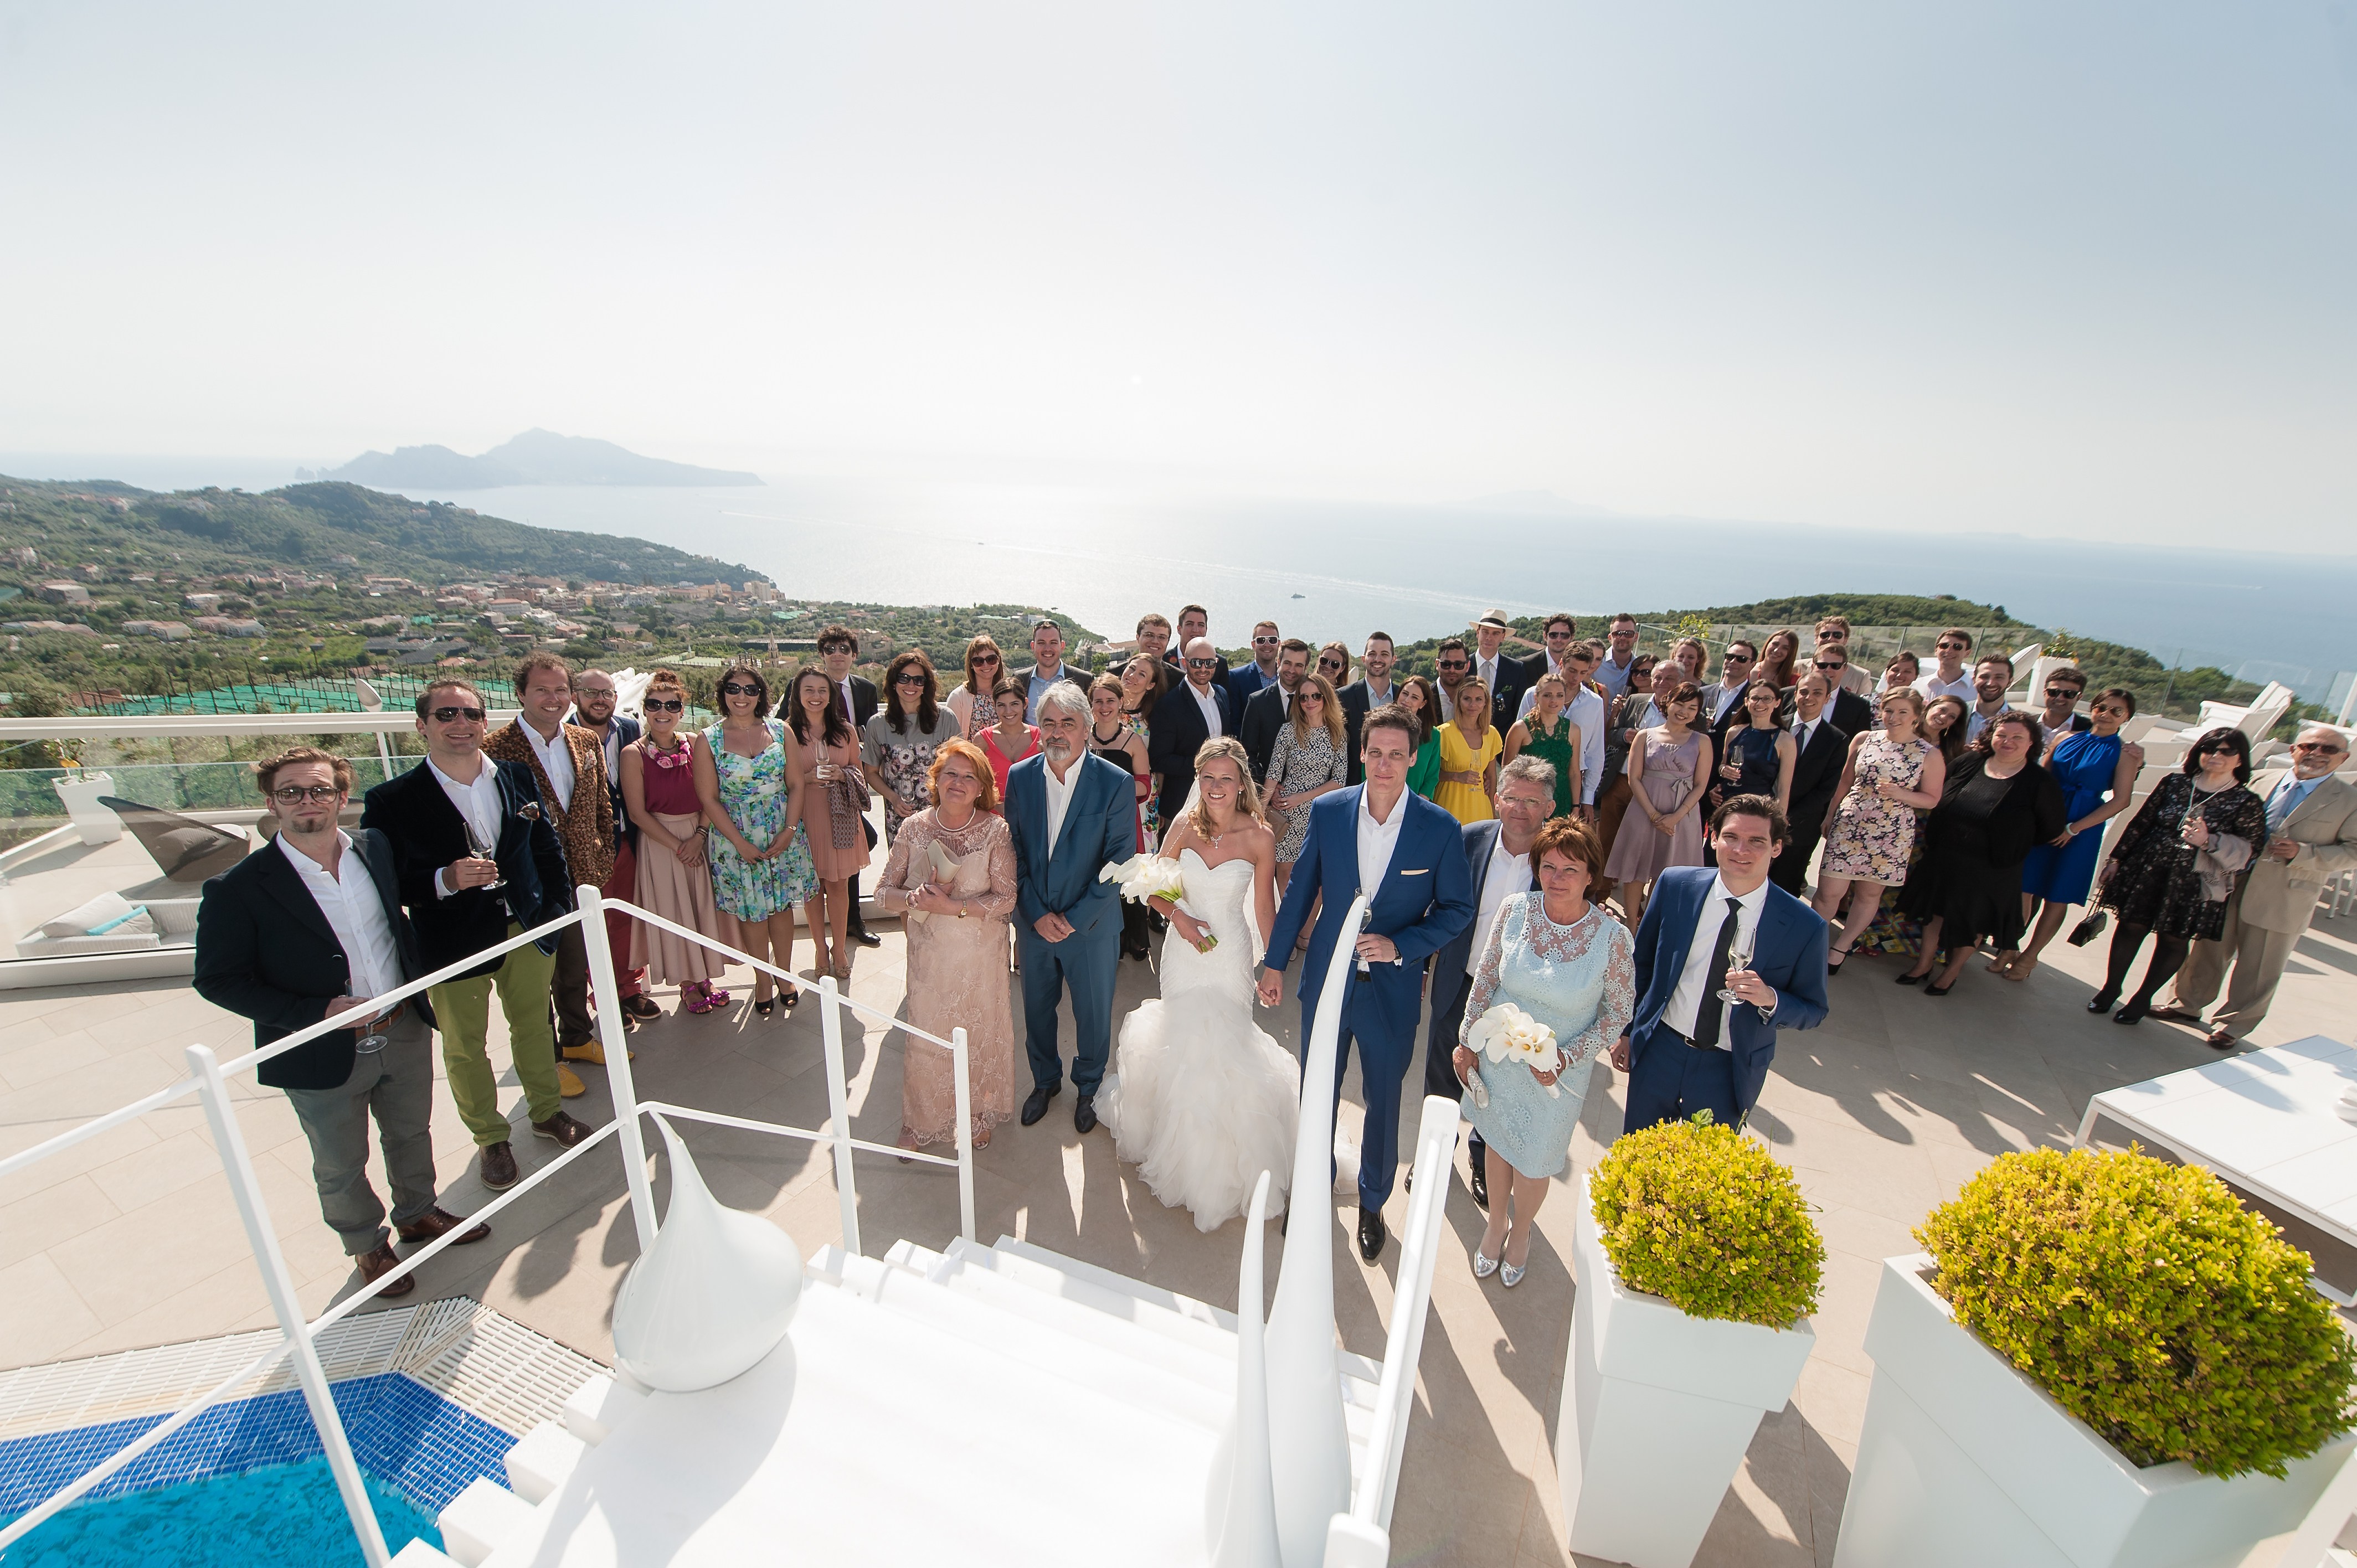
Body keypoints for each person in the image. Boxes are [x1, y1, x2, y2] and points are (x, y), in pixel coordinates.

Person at [197, 747, 483, 1298]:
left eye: (320, 790)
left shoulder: (373, 849)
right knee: (340, 1159)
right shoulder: (238, 888)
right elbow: (218, 980)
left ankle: (418, 1213)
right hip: (321, 1047)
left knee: (409, 1131)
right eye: (292, 792)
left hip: (400, 1025)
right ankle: (366, 1245)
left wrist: (450, 880)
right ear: (271, 803)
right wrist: (314, 1014)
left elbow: (403, 908)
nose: (308, 802)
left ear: (341, 797)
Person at [1259, 703, 1474, 1261]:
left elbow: (1456, 910)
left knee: (1382, 1099)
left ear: (1412, 759)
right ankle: (1311, 1187)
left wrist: (1402, 946)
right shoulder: (1330, 811)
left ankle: (1373, 1203)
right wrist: (1275, 961)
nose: (1384, 765)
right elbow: (1302, 889)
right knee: (1318, 1090)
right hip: (1327, 983)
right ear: (1360, 753)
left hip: (1392, 990)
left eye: (1396, 755)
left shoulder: (1438, 827)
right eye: (1374, 753)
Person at [361, 679, 588, 1191]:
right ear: (422, 726)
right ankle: (491, 1138)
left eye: (470, 713)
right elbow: (386, 882)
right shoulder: (392, 799)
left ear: (485, 723)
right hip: (452, 938)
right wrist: (444, 880)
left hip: (525, 928)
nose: (460, 724)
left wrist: (556, 910)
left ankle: (547, 1113)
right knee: (465, 1046)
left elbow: (547, 849)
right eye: (446, 715)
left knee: (534, 1027)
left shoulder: (516, 776)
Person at [1099, 738, 1301, 1230]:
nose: (1215, 787)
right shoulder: (1184, 828)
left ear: (1241, 785)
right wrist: (1181, 919)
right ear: (1198, 780)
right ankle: (1181, 1150)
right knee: (1183, 1041)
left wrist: (1272, 965)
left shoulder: (1259, 837)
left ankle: (1230, 1161)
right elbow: (1154, 888)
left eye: (1225, 778)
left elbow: (1262, 909)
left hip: (1229, 954)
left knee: (1227, 1046)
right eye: (1207, 777)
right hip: (1183, 954)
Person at [1457, 816, 1635, 1286]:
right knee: (1497, 1144)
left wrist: (1566, 1058)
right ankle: (1497, 1223)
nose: (1556, 879)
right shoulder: (1515, 909)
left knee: (1535, 1159)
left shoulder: (1612, 939)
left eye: (1570, 870)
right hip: (1500, 1059)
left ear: (1592, 877)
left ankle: (1523, 1232)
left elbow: (1617, 1014)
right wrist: (1466, 1040)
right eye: (1548, 867)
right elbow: (1488, 978)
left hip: (1557, 1077)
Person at [1610, 796, 1830, 1131]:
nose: (1741, 849)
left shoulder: (1805, 926)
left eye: (1757, 841)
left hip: (1728, 1067)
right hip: (1660, 1051)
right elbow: (1641, 965)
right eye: (1731, 837)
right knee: (1637, 1157)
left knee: (1701, 1174)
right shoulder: (1676, 886)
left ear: (1777, 848)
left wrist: (1771, 999)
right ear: (1713, 838)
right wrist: (1626, 1031)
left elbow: (1814, 1009)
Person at [2158, 725, 2357, 1047]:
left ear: (2344, 758)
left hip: (2286, 890)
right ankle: (2186, 1004)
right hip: (2230, 878)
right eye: (2309, 746)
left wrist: (2303, 854)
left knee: (2261, 962)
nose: (2317, 754)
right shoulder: (2261, 779)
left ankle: (2233, 1026)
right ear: (2294, 749)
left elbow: (2354, 852)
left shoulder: (2350, 800)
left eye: (2328, 750)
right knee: (2209, 947)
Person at [872, 738, 1019, 1151]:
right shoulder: (914, 827)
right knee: (926, 1035)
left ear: (981, 787)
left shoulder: (995, 829)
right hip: (930, 956)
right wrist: (915, 899)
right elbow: (884, 892)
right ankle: (920, 1120)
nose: (959, 782)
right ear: (936, 779)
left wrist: (954, 906)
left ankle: (977, 1111)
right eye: (951, 773)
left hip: (980, 955)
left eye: (969, 777)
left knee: (979, 1030)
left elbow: (1007, 898)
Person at [1423, 757, 1555, 1213]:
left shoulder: (1558, 858)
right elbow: (1437, 908)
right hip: (1460, 979)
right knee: (1442, 1073)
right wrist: (1424, 969)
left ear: (1549, 808)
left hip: (1516, 999)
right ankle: (1432, 1157)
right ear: (1497, 797)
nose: (1520, 808)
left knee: (1496, 1085)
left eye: (1532, 801)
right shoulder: (1468, 839)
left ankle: (1483, 1161)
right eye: (1512, 796)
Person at [1007, 682, 1136, 1133]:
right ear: (1037, 728)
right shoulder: (1020, 777)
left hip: (1092, 926)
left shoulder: (1116, 782)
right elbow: (1014, 852)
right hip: (1034, 923)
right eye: (1049, 723)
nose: (1057, 732)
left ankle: (1088, 1087)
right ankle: (1045, 1082)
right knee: (1036, 1010)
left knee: (1093, 1013)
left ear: (1086, 728)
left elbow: (1120, 859)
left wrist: (1074, 919)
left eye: (1068, 723)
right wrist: (1037, 914)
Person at [485, 653, 618, 1069]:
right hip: (529, 882)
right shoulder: (494, 749)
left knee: (576, 966)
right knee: (535, 976)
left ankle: (577, 1038)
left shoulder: (584, 741)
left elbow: (601, 805)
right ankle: (548, 1061)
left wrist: (602, 856)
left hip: (582, 877)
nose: (553, 698)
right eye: (542, 689)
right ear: (521, 693)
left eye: (560, 689)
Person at [2090, 727, 2268, 1024]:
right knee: (2131, 926)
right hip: (2147, 867)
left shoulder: (2245, 801)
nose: (2215, 756)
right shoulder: (2174, 783)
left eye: (2226, 751)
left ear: (2240, 760)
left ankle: (2142, 998)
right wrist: (2117, 858)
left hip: (2194, 880)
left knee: (2174, 939)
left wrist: (2209, 841)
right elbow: (2141, 822)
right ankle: (2110, 988)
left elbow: (2253, 849)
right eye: (2210, 749)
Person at [1896, 712, 2067, 995]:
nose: (2007, 742)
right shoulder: (1970, 761)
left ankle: (1950, 973)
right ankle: (1924, 964)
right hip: (1945, 855)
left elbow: (2050, 829)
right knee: (1934, 914)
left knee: (1972, 922)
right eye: (2002, 734)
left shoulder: (2040, 782)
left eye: (2017, 737)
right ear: (1991, 736)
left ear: (2032, 743)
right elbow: (1937, 792)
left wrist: (2010, 839)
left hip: (1993, 866)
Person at [1995, 688, 2142, 982]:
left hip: (2083, 826)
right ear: (2093, 708)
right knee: (2024, 886)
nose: (2108, 714)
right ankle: (2010, 946)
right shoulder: (2065, 738)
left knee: (2056, 895)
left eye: (2117, 711)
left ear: (2127, 717)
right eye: (2103, 707)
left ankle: (2030, 957)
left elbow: (2121, 800)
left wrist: (2074, 829)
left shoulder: (2124, 753)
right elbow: (2040, 778)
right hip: (2046, 817)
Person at [695, 664, 815, 1013]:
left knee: (780, 908)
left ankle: (784, 974)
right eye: (734, 689)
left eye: (750, 690)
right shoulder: (709, 739)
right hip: (735, 837)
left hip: (782, 831)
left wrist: (790, 830)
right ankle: (762, 977)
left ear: (761, 695)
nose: (742, 696)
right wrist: (740, 843)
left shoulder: (781, 731)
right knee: (752, 912)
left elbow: (795, 784)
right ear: (724, 694)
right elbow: (709, 799)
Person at [621, 670, 730, 1015]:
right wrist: (678, 846)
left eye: (672, 704)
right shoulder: (632, 754)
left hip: (700, 834)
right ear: (645, 710)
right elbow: (637, 813)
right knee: (675, 913)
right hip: (660, 843)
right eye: (655, 704)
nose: (663, 711)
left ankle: (705, 977)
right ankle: (687, 983)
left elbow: (710, 796)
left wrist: (699, 837)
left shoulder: (697, 743)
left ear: (682, 710)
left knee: (701, 909)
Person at [1814, 689, 1946, 973]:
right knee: (1828, 893)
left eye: (1902, 712)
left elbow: (1932, 798)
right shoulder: (1864, 739)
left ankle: (1841, 947)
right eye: (1889, 710)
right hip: (1850, 823)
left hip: (1891, 832)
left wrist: (1902, 794)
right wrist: (1830, 814)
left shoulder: (1929, 754)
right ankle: (1809, 944)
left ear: (1916, 716)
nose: (1893, 718)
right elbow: (1845, 780)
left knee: (1868, 895)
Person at [568, 669, 656, 1024]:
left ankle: (629, 990)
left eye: (606, 692)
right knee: (593, 922)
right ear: (576, 696)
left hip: (628, 839)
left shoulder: (631, 730)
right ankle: (603, 994)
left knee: (625, 919)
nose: (599, 699)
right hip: (587, 846)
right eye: (590, 692)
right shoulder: (561, 737)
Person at [1603, 679, 1713, 928]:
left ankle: (1651, 925)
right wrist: (1653, 815)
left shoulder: (1702, 742)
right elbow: (1634, 778)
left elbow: (1700, 785)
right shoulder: (1644, 736)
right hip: (1643, 810)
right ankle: (1631, 924)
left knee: (1667, 872)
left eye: (1692, 708)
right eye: (1680, 704)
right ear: (1669, 702)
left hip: (1681, 814)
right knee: (1636, 869)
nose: (1684, 711)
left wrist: (1676, 816)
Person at [792, 664, 871, 983]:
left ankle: (839, 949)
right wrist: (806, 778)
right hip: (806, 815)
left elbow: (859, 772)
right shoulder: (785, 732)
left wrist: (843, 774)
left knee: (839, 885)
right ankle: (819, 948)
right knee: (813, 888)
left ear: (832, 695)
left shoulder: (846, 731)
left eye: (822, 690)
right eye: (809, 690)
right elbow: (780, 778)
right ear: (798, 694)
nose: (816, 696)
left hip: (840, 816)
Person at [816, 625, 883, 950]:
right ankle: (829, 927)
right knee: (833, 856)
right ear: (822, 655)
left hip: (849, 782)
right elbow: (787, 726)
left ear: (854, 655)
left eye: (844, 648)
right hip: (816, 785)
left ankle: (852, 921)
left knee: (859, 844)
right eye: (830, 649)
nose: (837, 654)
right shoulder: (806, 686)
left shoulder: (866, 689)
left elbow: (872, 734)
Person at [863, 650, 960, 849]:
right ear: (893, 682)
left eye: (918, 680)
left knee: (942, 875)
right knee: (905, 876)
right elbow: (871, 773)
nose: (911, 685)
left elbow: (960, 767)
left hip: (942, 815)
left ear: (926, 686)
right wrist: (893, 798)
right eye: (904, 678)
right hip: (900, 816)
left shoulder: (946, 719)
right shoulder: (877, 724)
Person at [1088, 674, 1155, 961]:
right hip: (1089, 823)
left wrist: (1111, 791)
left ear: (1121, 703)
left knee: (1126, 881)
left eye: (1110, 701)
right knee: (1095, 880)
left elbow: (1145, 785)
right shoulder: (1081, 737)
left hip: (1123, 822)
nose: (1105, 707)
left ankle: (1133, 937)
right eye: (1098, 701)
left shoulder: (1133, 741)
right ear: (1090, 705)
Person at [1264, 671, 1349, 890]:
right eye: (1303, 697)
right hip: (1286, 812)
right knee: (1285, 870)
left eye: (1316, 696)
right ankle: (1288, 921)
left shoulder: (1338, 734)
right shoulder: (1288, 731)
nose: (1309, 702)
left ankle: (1309, 924)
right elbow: (1273, 774)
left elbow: (1339, 781)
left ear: (1326, 697)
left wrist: (1301, 798)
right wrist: (1259, 811)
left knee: (1318, 873)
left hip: (1321, 812)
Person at [1769, 673, 1851, 896]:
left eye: (1817, 693)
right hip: (1760, 817)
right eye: (1804, 691)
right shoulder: (1773, 725)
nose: (1809, 697)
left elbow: (1827, 789)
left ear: (1827, 698)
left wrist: (1787, 816)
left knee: (1784, 890)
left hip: (1801, 828)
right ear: (1795, 695)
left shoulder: (1837, 740)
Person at [1148, 637, 1235, 830]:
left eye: (1209, 663)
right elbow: (1159, 759)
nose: (1203, 668)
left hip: (1220, 802)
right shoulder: (1168, 705)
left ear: (1216, 663)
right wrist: (1204, 767)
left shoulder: (1221, 694)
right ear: (1185, 663)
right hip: (1182, 805)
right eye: (1196, 662)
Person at [1598, 657, 1672, 875]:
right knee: (1606, 839)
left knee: (1640, 846)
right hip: (1620, 780)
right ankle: (1599, 892)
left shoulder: (1684, 711)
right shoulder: (1636, 701)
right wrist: (1624, 735)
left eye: (1669, 678)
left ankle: (1633, 897)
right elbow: (1612, 734)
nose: (1661, 682)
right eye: (1657, 677)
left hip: (1654, 787)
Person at [1712, 680, 1797, 816]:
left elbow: (1783, 789)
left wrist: (1778, 822)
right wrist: (1723, 770)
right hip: (1728, 802)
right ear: (1747, 702)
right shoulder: (1734, 732)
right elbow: (1723, 765)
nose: (1760, 703)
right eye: (1755, 698)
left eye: (1767, 699)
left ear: (1777, 703)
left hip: (1759, 808)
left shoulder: (1785, 740)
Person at [1505, 671, 1581, 819]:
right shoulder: (1520, 728)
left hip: (1562, 802)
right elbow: (1508, 772)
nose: (1554, 700)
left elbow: (1574, 772)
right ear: (1536, 697)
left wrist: (1576, 807)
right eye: (1547, 695)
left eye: (1559, 695)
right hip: (1529, 802)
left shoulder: (1573, 730)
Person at [1239, 638, 1310, 784]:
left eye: (1298, 665)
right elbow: (1247, 754)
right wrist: (1269, 785)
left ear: (1306, 668)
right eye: (1287, 663)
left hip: (1307, 792)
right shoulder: (1257, 702)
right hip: (1267, 793)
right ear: (1278, 662)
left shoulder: (1314, 702)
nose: (1291, 670)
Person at [1435, 677, 1504, 824]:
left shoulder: (1491, 734)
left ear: (1485, 703)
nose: (1473, 704)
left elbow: (1492, 777)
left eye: (1479, 699)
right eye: (1467, 699)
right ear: (1459, 701)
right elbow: (1430, 775)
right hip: (1449, 806)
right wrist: (1455, 776)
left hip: (1481, 808)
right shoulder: (1443, 733)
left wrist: (1493, 816)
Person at [1117, 653, 1167, 847]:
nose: (1132, 676)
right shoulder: (1102, 710)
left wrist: (1160, 804)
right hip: (1106, 795)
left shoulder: (1156, 719)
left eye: (1142, 674)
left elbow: (1160, 764)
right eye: (1131, 668)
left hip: (1145, 799)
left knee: (1144, 857)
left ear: (1151, 686)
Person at [1337, 632, 1398, 783]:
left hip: (1394, 786)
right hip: (1352, 787)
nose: (1377, 659)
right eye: (1372, 654)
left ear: (1394, 660)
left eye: (1384, 654)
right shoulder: (1343, 697)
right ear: (1364, 659)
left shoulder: (1404, 697)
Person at [979, 674, 1041, 800]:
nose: (1008, 711)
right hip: (992, 815)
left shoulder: (1041, 738)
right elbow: (974, 782)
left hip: (1033, 814)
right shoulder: (982, 740)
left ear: (1025, 703)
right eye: (1002, 705)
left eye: (1014, 704)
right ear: (994, 705)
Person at [1015, 617, 1083, 721]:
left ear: (1062, 646)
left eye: (1053, 643)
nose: (1048, 648)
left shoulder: (1083, 681)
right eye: (1042, 643)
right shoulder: (1019, 680)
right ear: (1033, 647)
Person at [1470, 608, 1529, 721]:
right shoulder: (1462, 666)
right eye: (1485, 632)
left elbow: (1519, 710)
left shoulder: (1516, 669)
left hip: (1501, 736)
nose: (1489, 637)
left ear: (1503, 637)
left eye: (1495, 633)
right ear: (1478, 633)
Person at [1810, 643, 1877, 737]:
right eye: (1822, 665)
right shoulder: (1788, 696)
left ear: (1845, 669)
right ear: (1813, 666)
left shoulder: (1859, 707)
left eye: (1835, 665)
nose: (1828, 670)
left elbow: (1859, 744)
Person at [943, 635, 1003, 734]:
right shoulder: (958, 697)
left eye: (991, 659)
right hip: (970, 750)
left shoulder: (1007, 693)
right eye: (978, 661)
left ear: (998, 660)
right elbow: (951, 738)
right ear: (971, 664)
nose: (985, 665)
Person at [1166, 604, 1232, 689]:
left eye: (1201, 625)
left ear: (1206, 630)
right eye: (1190, 624)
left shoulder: (1220, 663)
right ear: (1179, 629)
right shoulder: (1164, 661)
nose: (1196, 630)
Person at [1398, 674, 1443, 798]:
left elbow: (1432, 777)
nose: (1407, 700)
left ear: (1423, 704)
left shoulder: (1433, 735)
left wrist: (1419, 805)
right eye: (1405, 694)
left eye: (1414, 697)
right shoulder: (1380, 728)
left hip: (1416, 805)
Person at [1912, 628, 1978, 705]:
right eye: (1944, 646)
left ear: (1967, 653)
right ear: (1936, 650)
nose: (1949, 651)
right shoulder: (1917, 686)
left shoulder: (1976, 690)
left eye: (1957, 647)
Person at [1813, 617, 1875, 696]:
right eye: (1825, 635)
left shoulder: (1860, 677)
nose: (1830, 638)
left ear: (1846, 640)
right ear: (1816, 639)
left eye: (1837, 635)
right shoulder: (1798, 667)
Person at [1963, 655, 2015, 743]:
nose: (1990, 683)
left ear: (2010, 682)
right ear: (1974, 679)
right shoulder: (1958, 712)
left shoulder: (2019, 723)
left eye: (1999, 677)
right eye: (1984, 677)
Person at [1229, 620, 1284, 704]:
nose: (1267, 645)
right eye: (1261, 640)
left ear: (1279, 644)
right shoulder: (1237, 678)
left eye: (1272, 640)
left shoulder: (1287, 677)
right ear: (1253, 645)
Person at [1706, 641, 1757, 729]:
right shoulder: (1703, 692)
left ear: (1752, 665)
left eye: (1742, 659)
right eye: (1730, 657)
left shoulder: (1755, 698)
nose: (1733, 661)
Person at [2035, 666, 2093, 738]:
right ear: (2045, 693)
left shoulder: (2090, 730)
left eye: (2069, 694)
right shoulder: (2025, 724)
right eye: (2054, 692)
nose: (2060, 698)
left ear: (2079, 697)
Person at [1596, 614, 1643, 702]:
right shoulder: (1596, 662)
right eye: (1618, 634)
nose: (1623, 638)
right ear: (1610, 638)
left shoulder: (1640, 668)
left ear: (1636, 637)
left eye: (1628, 634)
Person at [1873, 651, 1922, 728]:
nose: (1899, 675)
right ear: (1886, 672)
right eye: (1895, 670)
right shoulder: (1866, 701)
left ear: (1915, 676)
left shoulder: (1918, 708)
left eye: (1907, 671)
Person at [1434, 636, 1473, 719]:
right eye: (1446, 664)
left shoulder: (1474, 701)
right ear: (1437, 664)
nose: (1452, 670)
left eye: (1458, 665)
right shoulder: (1424, 698)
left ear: (1468, 666)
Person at [1754, 629, 1801, 697]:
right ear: (1768, 644)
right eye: (1775, 644)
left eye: (1785, 648)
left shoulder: (1794, 681)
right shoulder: (1746, 669)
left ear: (1791, 653)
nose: (1777, 650)